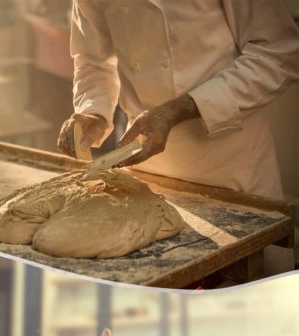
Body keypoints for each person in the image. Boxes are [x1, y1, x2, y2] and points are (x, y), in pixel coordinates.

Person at [58, 0, 299, 198]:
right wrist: (94, 110)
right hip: (145, 165)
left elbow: (279, 54)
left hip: (228, 163)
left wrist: (177, 110)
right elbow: (93, 62)